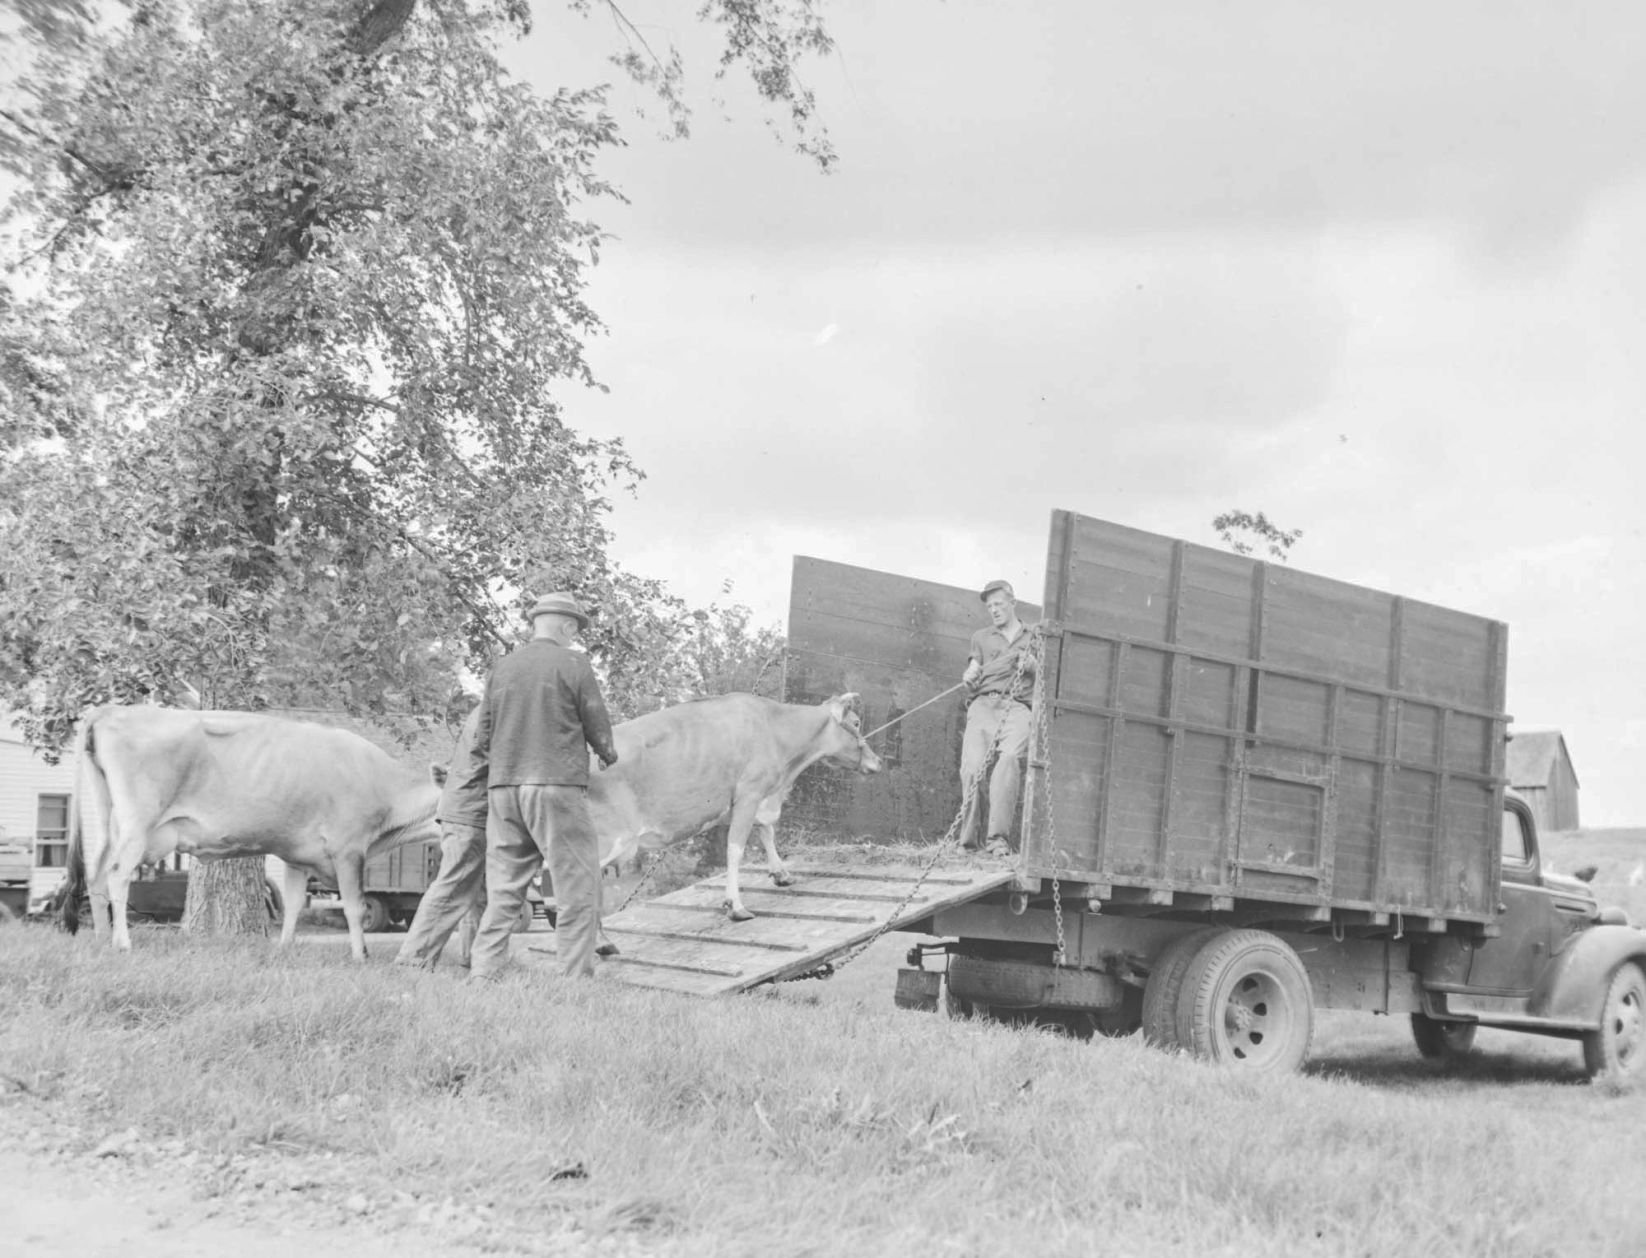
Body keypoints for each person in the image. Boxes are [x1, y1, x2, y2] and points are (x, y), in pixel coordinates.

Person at [468, 592, 619, 981]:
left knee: (503, 889)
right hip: (556, 785)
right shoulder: (574, 662)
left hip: (503, 789)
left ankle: (482, 972)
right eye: (575, 629)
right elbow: (595, 720)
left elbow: (482, 736)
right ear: (567, 626)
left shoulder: (502, 668)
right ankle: (573, 980)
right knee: (577, 885)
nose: (575, 635)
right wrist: (607, 752)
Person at [394, 703, 490, 970]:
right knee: (454, 885)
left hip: (475, 814)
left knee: (476, 891)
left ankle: (472, 957)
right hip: (471, 814)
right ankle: (413, 960)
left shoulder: (490, 709)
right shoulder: (498, 710)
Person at [958, 578, 1036, 857]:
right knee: (972, 768)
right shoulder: (981, 637)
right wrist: (969, 676)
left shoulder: (1034, 636)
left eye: (998, 604)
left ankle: (997, 841)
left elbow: (1047, 676)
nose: (993, 610)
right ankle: (968, 843)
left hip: (1017, 708)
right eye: (989, 606)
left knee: (1009, 759)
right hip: (983, 705)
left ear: (1012, 602)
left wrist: (1031, 665)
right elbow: (973, 668)